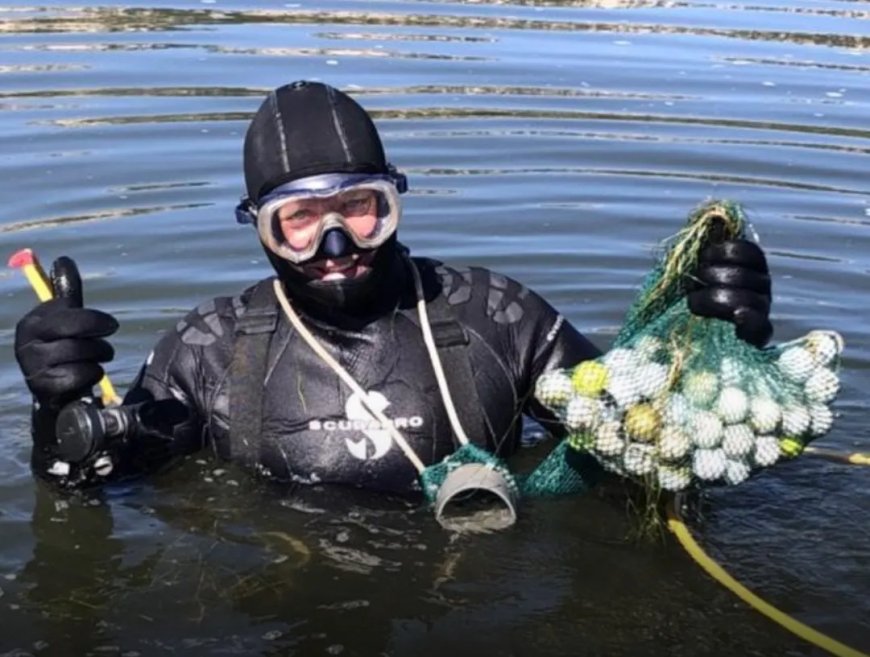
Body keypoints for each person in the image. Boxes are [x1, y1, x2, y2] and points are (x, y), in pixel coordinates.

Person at [13, 80, 773, 495]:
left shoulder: (498, 316)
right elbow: (95, 482)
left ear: (393, 200)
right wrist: (59, 410)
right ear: (258, 226)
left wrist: (715, 341)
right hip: (284, 604)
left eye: (360, 208)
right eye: (300, 220)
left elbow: (644, 435)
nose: (337, 245)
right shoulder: (209, 348)